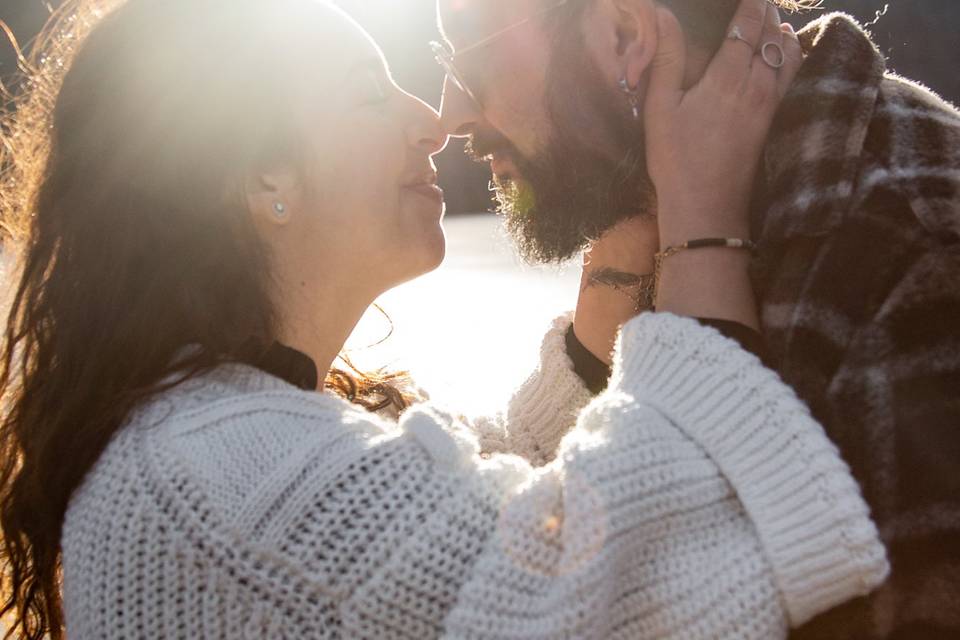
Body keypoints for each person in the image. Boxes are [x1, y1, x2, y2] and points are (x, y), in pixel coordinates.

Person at [0, 0, 888, 638]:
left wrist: (621, 245)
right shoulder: (225, 485)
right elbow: (656, 577)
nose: (433, 121)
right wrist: (702, 222)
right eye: (368, 92)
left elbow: (492, 509)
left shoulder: (206, 435)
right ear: (264, 177)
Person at [434, 0, 960, 637]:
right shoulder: (662, 205)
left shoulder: (909, 253)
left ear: (625, 36)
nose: (450, 116)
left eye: (469, 63)